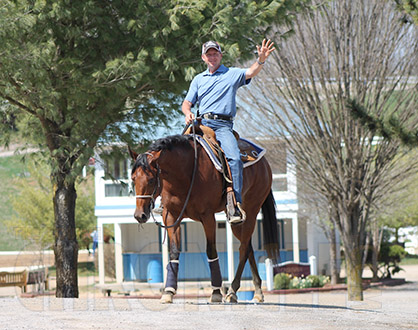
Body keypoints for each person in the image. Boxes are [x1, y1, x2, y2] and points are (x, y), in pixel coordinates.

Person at [182, 39, 275, 224]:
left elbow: (251, 72)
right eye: (209, 54)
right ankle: (170, 200)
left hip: (222, 126)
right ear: (203, 57)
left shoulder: (231, 74)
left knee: (233, 158)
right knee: (177, 153)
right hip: (200, 124)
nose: (212, 57)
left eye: (215, 53)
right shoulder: (198, 79)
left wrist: (261, 60)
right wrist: (187, 113)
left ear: (220, 55)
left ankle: (234, 203)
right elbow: (187, 103)